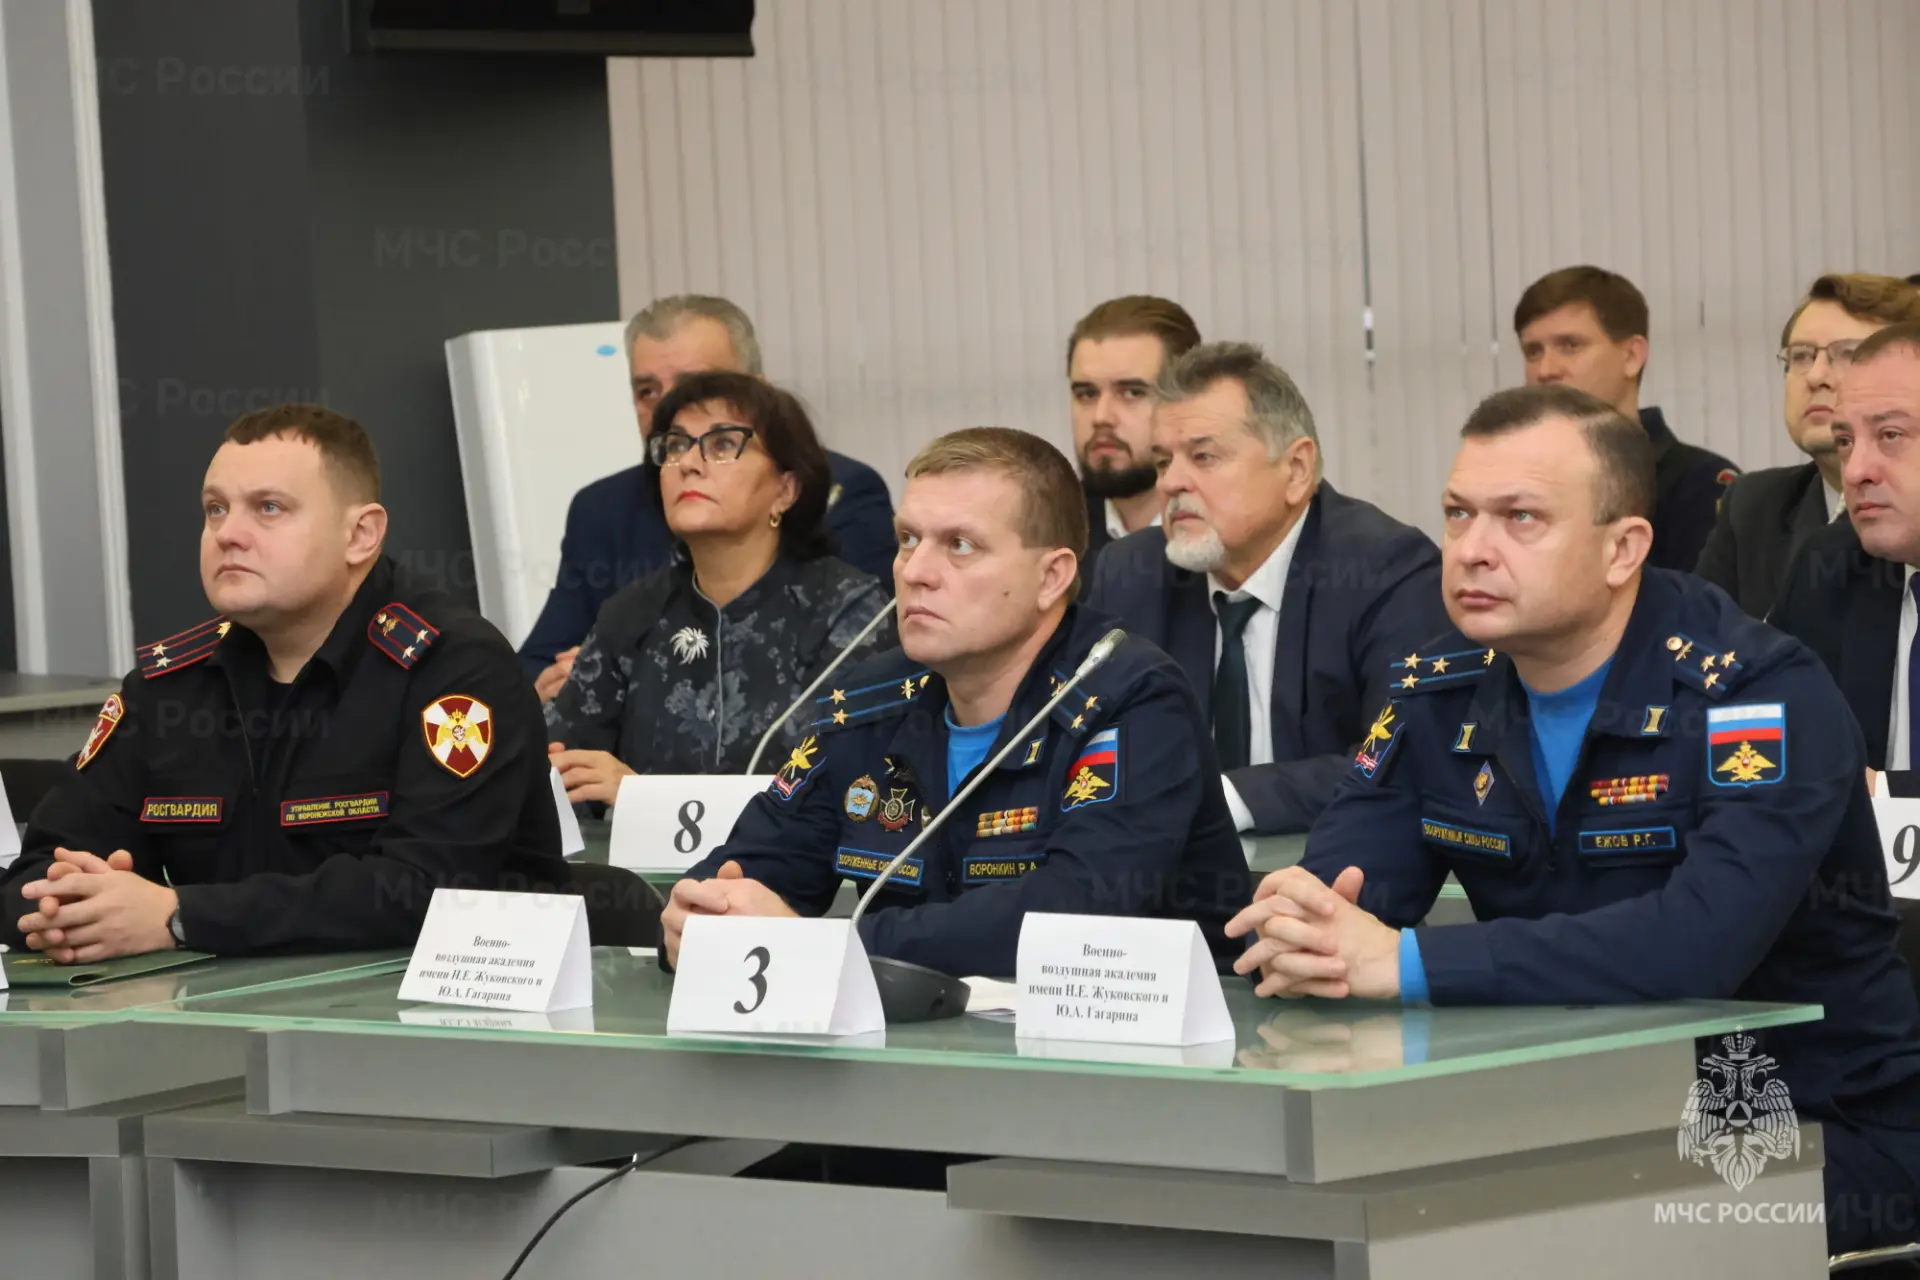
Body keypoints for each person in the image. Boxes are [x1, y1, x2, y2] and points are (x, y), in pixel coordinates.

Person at [1228, 384, 1920, 1257]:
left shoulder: (1755, 694)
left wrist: (1401, 961)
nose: (1472, 550)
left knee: (1510, 1245)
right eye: (1458, 513)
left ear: (1623, 548)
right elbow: (1341, 900)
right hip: (1566, 1114)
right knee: (1326, 1220)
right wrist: (1307, 927)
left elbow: (1695, 945)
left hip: (1799, 1126)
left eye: (1520, 518)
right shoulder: (1439, 687)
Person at [659, 428, 1251, 978]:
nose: (915, 572)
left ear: (1051, 578)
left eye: (960, 546)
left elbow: (1076, 913)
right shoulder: (866, 699)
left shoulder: (1130, 697)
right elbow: (756, 862)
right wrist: (702, 913)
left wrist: (825, 947)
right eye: (907, 540)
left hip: (1141, 1042)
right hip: (922, 1037)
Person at [0, 405, 564, 960]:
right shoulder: (171, 686)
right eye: (215, 509)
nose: (228, 534)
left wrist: (178, 916)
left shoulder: (452, 667)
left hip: (439, 1005)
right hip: (215, 1007)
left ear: (361, 535)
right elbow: (35, 869)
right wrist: (67, 907)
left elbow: (430, 890)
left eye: (268, 508)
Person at [1086, 342, 1444, 836]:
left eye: (1203, 456)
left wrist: (1223, 799)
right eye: (1163, 462)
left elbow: (1403, 755)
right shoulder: (1131, 575)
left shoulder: (1385, 570)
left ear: (1296, 470)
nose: (1170, 484)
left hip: (1337, 868)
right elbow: (1092, 753)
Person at [519, 295, 897, 692]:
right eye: (647, 390)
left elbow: (878, 660)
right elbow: (537, 661)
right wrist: (554, 685)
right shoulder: (602, 510)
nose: (667, 406)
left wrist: (636, 676)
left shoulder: (843, 492)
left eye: (696, 385)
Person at [544, 372, 894, 800]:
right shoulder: (633, 613)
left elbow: (845, 793)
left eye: (723, 444)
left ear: (786, 490)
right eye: (676, 445)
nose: (688, 463)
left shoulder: (847, 611)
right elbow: (559, 770)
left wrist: (642, 798)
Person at [1696, 274, 1920, 618]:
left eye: (1849, 354)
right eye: (1801, 356)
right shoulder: (1753, 505)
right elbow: (1699, 634)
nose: (1816, 376)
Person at [1771, 321, 1920, 798]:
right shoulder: (1831, 568)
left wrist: (1882, 795)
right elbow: (1777, 751)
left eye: (1890, 435)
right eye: (1845, 441)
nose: (1855, 472)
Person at [1515, 265, 1738, 572]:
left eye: (1569, 346)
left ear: (1632, 356)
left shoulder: (1699, 486)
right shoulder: (1515, 484)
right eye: (1533, 352)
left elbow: (1698, 602)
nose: (1545, 370)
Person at [1066, 295, 1201, 570]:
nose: (1101, 417)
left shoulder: (1234, 534)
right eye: (1087, 394)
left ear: (1187, 400)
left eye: (1131, 393)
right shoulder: (1049, 534)